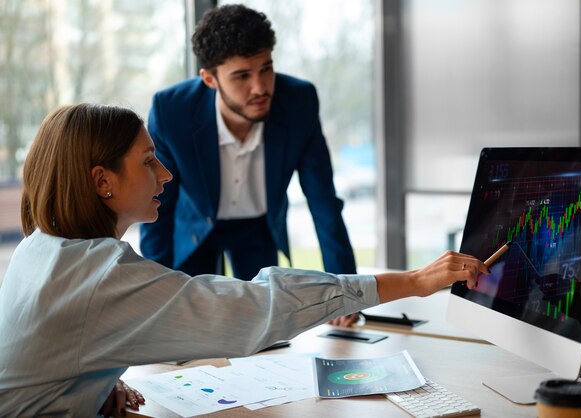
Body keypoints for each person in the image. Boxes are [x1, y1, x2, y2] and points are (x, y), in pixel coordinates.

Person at [0, 103, 487, 416]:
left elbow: (58, 350)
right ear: (103, 181)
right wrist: (412, 280)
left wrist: (92, 385)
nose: (166, 174)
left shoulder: (42, 250)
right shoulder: (98, 275)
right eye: (148, 160)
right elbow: (255, 307)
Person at [139, 5, 356, 289]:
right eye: (242, 76)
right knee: (188, 319)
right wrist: (157, 290)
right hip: (194, 229)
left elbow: (323, 201)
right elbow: (158, 207)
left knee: (266, 323)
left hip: (259, 227)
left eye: (266, 69)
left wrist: (347, 289)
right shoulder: (172, 111)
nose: (260, 87)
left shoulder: (298, 102)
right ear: (209, 79)